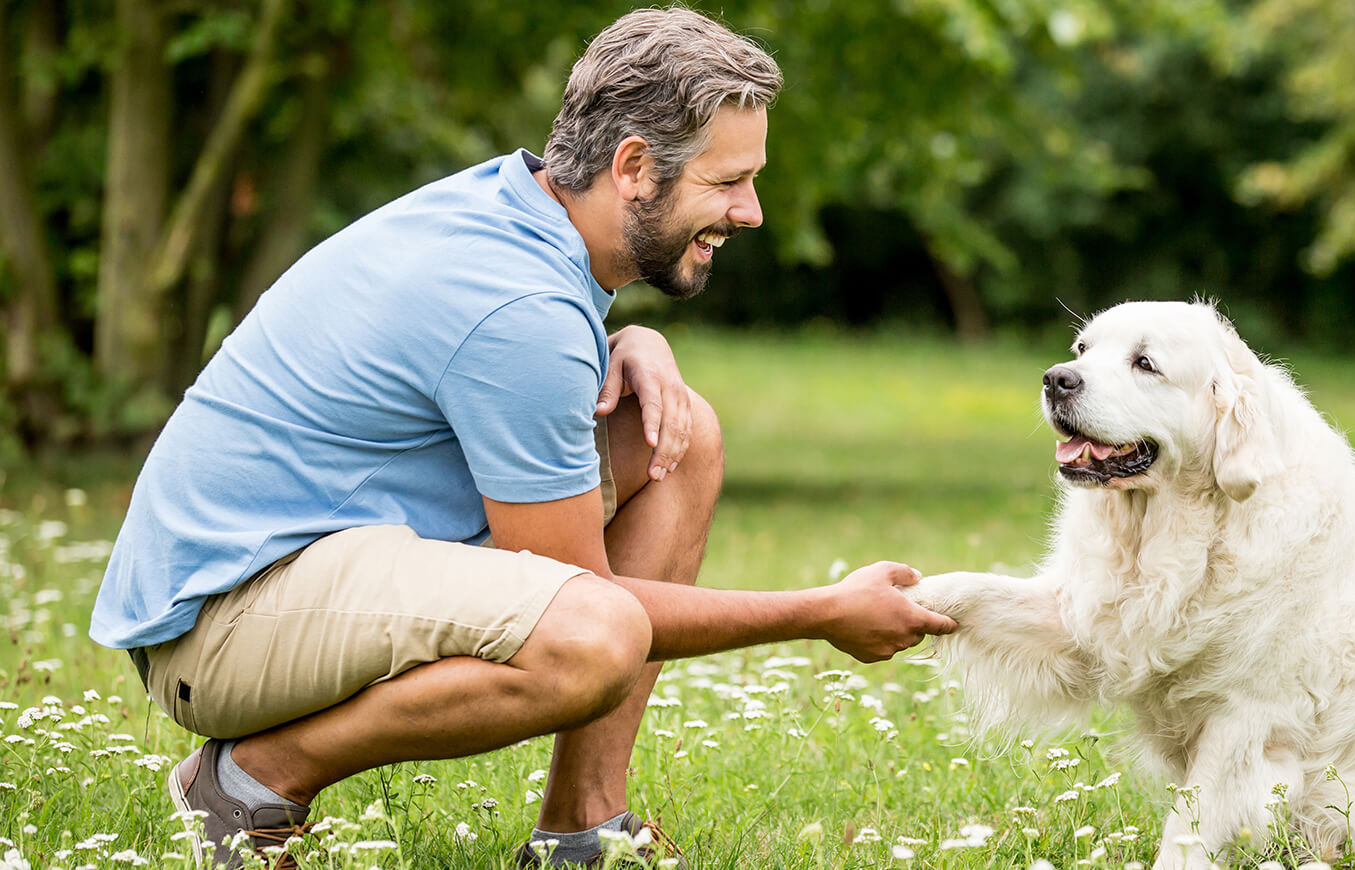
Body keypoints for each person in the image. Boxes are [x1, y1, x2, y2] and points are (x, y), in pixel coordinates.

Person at [88, 8, 956, 869]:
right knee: (594, 635)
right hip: (220, 624)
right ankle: (245, 786)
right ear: (634, 167)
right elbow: (579, 592)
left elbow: (483, 367)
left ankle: (584, 830)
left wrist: (631, 343)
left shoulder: (520, 209)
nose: (752, 210)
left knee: (679, 437)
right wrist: (819, 612)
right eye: (728, 181)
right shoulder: (519, 307)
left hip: (291, 564)